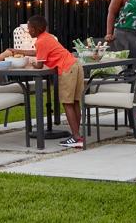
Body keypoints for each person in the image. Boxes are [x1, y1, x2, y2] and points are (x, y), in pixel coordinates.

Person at [10, 15, 85, 147]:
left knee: (67, 103)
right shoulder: (47, 37)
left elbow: (39, 65)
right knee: (75, 102)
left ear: (35, 29)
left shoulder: (40, 41)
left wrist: (32, 64)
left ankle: (76, 137)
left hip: (67, 69)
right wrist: (17, 51)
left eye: (29, 28)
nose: (28, 30)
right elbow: (38, 52)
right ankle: (77, 135)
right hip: (75, 65)